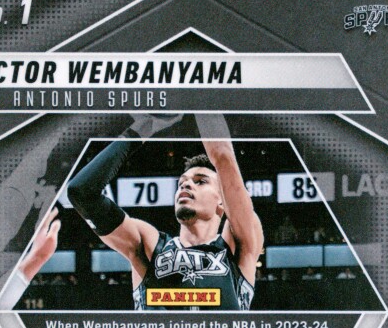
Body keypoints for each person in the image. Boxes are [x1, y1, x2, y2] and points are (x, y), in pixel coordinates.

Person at [67, 115, 263, 311]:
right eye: (181, 182)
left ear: (222, 199)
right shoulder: (151, 245)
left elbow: (223, 156)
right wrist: (141, 129)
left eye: (200, 181)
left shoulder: (236, 244)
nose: (186, 184)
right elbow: (81, 192)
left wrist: (201, 99)